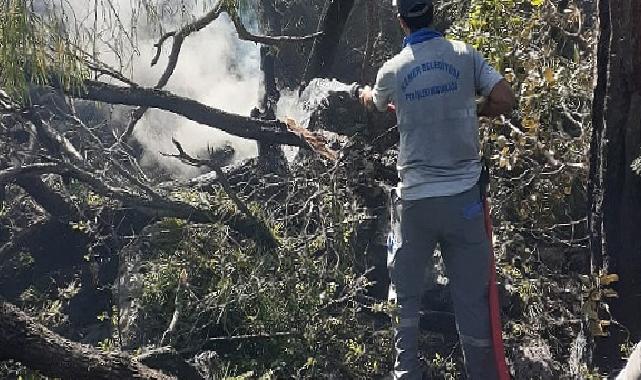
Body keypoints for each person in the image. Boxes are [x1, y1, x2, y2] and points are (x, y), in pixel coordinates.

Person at [359, 1, 515, 379]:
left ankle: (407, 372)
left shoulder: (393, 70)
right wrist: (472, 107)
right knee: (472, 301)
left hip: (415, 204)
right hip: (465, 204)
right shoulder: (463, 55)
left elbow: (376, 104)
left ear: (401, 21)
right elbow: (505, 99)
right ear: (433, 14)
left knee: (406, 296)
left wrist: (361, 92)